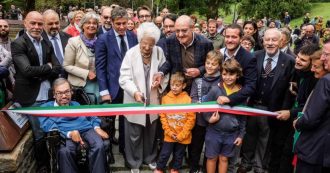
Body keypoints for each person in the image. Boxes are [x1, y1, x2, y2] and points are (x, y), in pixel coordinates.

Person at [237, 28, 295, 173]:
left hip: (272, 109)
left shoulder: (289, 61)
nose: (270, 43)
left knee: (265, 139)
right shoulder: (254, 56)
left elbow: (289, 90)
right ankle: (246, 163)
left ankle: (259, 166)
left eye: (274, 40)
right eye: (267, 39)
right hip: (252, 106)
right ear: (262, 41)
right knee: (249, 136)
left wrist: (285, 109)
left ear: (281, 41)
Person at [11, 11, 61, 172]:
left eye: (40, 24)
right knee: (39, 133)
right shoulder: (19, 43)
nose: (37, 27)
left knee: (53, 129)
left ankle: (57, 162)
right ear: (25, 23)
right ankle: (43, 166)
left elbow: (58, 67)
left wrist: (41, 71)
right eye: (33, 23)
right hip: (31, 96)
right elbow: (26, 71)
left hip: (48, 94)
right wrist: (47, 68)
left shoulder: (46, 43)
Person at [119, 22, 169, 173]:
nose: (147, 48)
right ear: (139, 40)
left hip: (153, 98)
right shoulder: (131, 53)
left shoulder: (159, 52)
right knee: (134, 133)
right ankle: (134, 163)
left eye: (151, 45)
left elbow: (165, 72)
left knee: (151, 132)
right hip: (135, 99)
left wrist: (160, 83)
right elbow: (124, 78)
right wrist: (134, 92)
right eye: (144, 44)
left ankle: (150, 158)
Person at [38, 78, 109, 173]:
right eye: (59, 93)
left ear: (71, 92)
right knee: (65, 152)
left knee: (99, 145)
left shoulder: (76, 104)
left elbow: (91, 116)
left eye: (67, 92)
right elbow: (48, 127)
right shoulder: (45, 109)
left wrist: (97, 128)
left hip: (87, 130)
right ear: (54, 94)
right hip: (65, 134)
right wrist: (69, 134)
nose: (64, 96)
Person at [95, 6, 138, 154]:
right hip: (112, 88)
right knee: (109, 122)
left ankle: (124, 149)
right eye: (118, 23)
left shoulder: (133, 37)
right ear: (112, 22)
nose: (121, 27)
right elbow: (100, 67)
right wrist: (104, 91)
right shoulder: (103, 39)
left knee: (126, 121)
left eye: (124, 23)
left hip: (129, 88)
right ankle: (108, 153)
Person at [274, 44, 319, 173]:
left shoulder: (315, 79)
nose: (298, 61)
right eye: (298, 57)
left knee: (289, 152)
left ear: (312, 63)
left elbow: (310, 106)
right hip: (288, 115)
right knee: (279, 147)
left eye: (303, 60)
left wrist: (291, 112)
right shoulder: (297, 71)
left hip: (299, 121)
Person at [293, 41, 330, 173]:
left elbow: (311, 118)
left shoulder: (326, 82)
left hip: (314, 150)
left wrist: (298, 122)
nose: (323, 58)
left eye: (326, 54)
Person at [204, 58, 246, 173]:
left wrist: (241, 135)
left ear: (237, 75)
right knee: (212, 158)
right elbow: (204, 108)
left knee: (224, 158)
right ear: (221, 73)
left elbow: (243, 116)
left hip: (232, 134)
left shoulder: (241, 93)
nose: (228, 77)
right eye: (224, 74)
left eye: (231, 74)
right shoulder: (215, 90)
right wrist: (209, 119)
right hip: (214, 132)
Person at [155, 15, 213, 93]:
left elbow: (212, 64)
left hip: (197, 87)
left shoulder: (205, 43)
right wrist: (161, 73)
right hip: (177, 87)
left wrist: (199, 70)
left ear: (192, 28)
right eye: (177, 31)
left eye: (184, 30)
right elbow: (169, 61)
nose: (180, 34)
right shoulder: (170, 40)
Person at [154, 72, 196, 173]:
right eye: (172, 85)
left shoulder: (188, 100)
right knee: (164, 153)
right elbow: (163, 117)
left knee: (179, 155)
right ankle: (159, 168)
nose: (174, 87)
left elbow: (191, 119)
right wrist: (169, 132)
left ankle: (175, 169)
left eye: (177, 85)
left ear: (184, 85)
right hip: (169, 135)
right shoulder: (165, 99)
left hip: (183, 136)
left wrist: (182, 134)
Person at [189, 50, 222, 173]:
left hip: (215, 121)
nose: (209, 66)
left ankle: (205, 169)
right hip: (200, 121)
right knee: (196, 146)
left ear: (219, 66)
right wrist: (196, 103)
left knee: (210, 148)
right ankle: (193, 168)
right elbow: (193, 98)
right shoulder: (198, 81)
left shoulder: (222, 82)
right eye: (208, 63)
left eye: (213, 64)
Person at [42, 10, 71, 78]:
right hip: (49, 79)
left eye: (57, 23)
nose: (54, 26)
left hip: (69, 78)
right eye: (50, 24)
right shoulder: (39, 40)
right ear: (43, 24)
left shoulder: (69, 38)